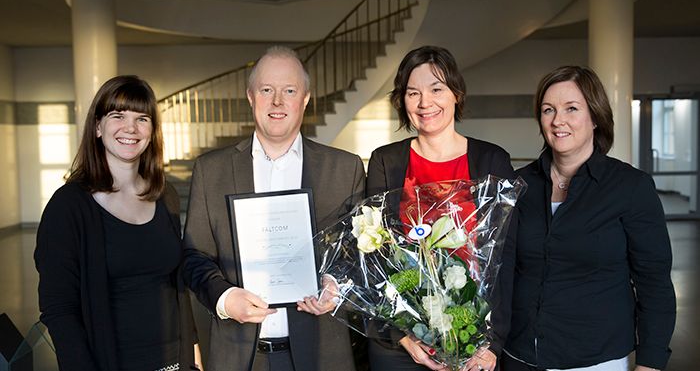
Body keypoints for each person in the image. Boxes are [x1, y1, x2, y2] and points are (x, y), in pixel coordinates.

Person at [182, 46, 365, 371]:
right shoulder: (212, 171)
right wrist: (225, 299)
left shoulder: (344, 169)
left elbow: (361, 254)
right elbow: (194, 256)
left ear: (305, 99)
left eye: (289, 90)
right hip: (239, 358)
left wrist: (337, 285)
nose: (277, 101)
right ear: (251, 97)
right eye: (267, 90)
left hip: (322, 354)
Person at [501, 66, 676, 371]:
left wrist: (651, 361)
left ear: (595, 117)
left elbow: (654, 282)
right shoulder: (518, 185)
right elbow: (499, 274)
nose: (558, 121)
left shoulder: (630, 187)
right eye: (548, 110)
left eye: (572, 108)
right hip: (519, 355)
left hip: (596, 358)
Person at [35, 75, 201, 371]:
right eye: (118, 115)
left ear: (152, 131)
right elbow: (59, 310)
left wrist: (195, 356)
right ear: (98, 127)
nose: (131, 128)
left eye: (142, 118)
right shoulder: (69, 206)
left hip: (174, 361)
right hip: (110, 362)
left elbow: (176, 290)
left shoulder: (165, 195)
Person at [366, 45, 516, 371]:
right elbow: (375, 257)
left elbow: (506, 257)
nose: (425, 103)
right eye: (412, 93)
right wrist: (402, 335)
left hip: (473, 336)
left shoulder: (492, 160)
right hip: (401, 342)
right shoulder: (384, 161)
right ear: (402, 102)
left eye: (437, 89)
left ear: (456, 94)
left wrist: (492, 343)